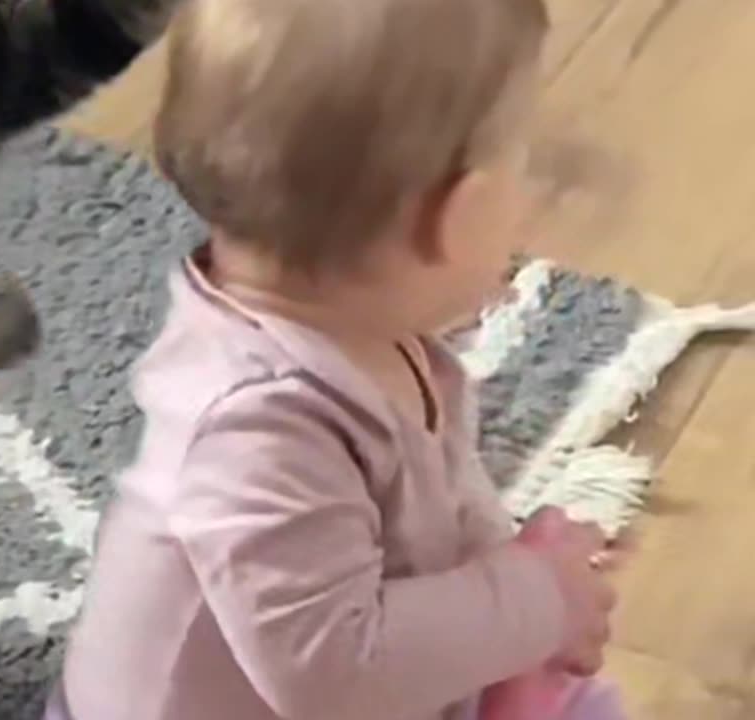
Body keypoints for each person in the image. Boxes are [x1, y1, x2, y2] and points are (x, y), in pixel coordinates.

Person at [45, 0, 628, 718]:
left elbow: (427, 503)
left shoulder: (366, 334)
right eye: (520, 161)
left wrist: (519, 572)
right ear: (462, 214)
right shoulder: (256, 429)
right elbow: (333, 674)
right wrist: (541, 598)